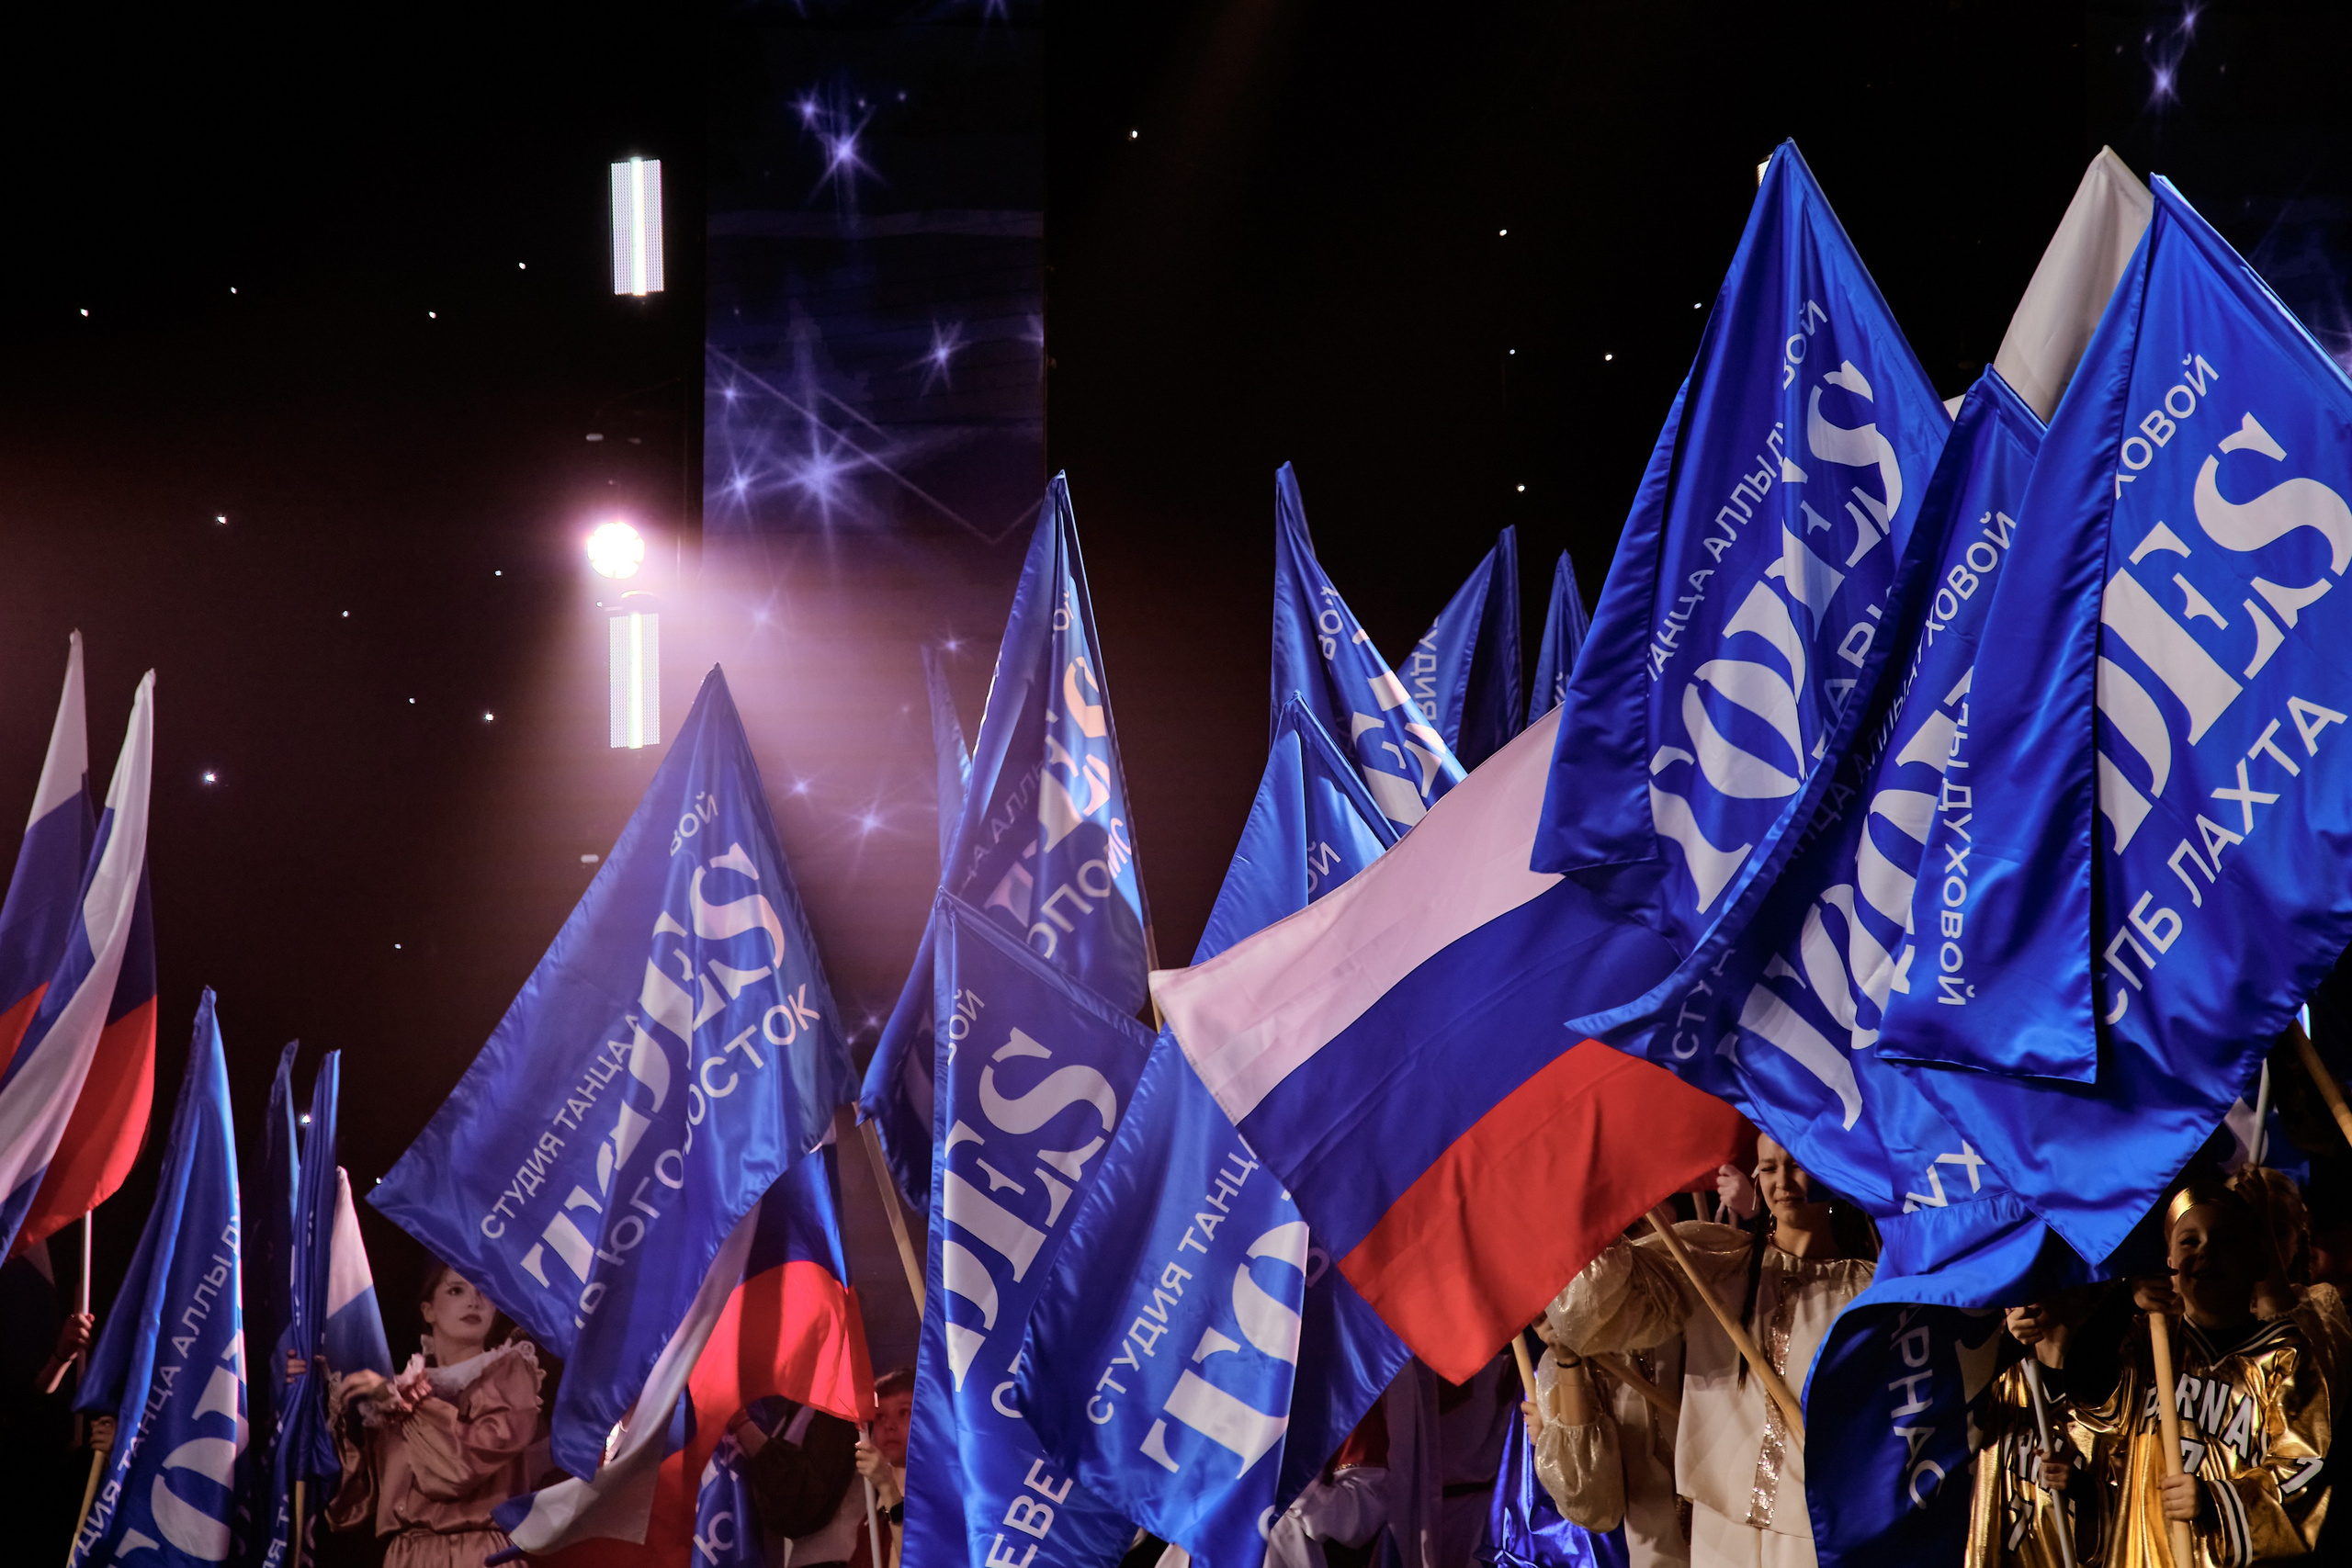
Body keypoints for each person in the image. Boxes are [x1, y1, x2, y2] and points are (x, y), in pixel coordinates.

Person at [1537, 1134, 1875, 1568]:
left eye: (1796, 1165)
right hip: (1722, 1531)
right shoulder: (1717, 1262)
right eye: (1768, 1168)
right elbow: (1590, 1308)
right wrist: (1599, 1193)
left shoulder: (1871, 1289)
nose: (1782, 1182)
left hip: (1818, 1526)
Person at [2050, 1176, 2333, 1565]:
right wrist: (2123, 1301)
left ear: (2256, 1261)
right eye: (2189, 1241)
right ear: (2169, 1262)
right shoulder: (2149, 1345)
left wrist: (2214, 1500)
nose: (2206, 1252)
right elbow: (2087, 1387)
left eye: (2225, 1240)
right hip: (2146, 1553)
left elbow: (2305, 1469)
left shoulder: (2285, 1355)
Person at [324, 1260, 542, 1568]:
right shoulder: (397, 1390)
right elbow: (351, 1504)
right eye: (456, 1290)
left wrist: (404, 1402)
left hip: (477, 1553)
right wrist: (305, 1393)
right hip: (407, 1556)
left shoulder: (508, 1371)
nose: (473, 1301)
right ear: (429, 1311)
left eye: (485, 1293)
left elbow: (463, 1466)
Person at [1965, 1290, 2104, 1568]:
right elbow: (1951, 1409)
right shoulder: (1998, 1373)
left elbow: (2137, 1500)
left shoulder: (2110, 1387)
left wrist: (2082, 1487)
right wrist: (2007, 1348)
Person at [854, 1367, 912, 1568]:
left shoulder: (943, 1498)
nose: (889, 1425)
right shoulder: (872, 1517)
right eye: (880, 1417)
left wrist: (888, 1487)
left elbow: (918, 1559)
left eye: (904, 1412)